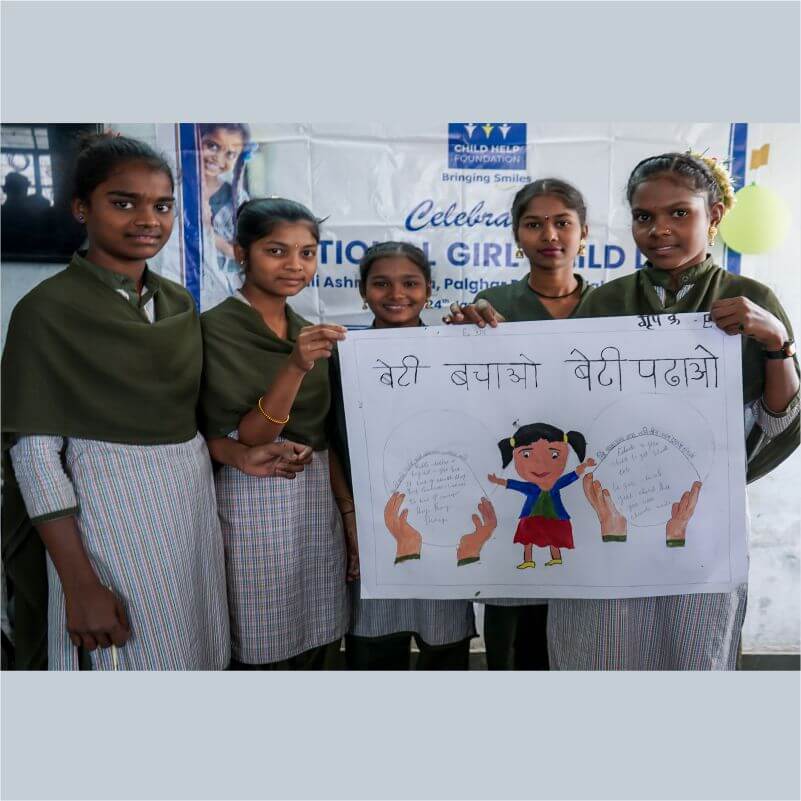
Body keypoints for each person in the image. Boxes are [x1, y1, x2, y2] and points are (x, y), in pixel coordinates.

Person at [547, 151, 800, 670]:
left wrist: (776, 343)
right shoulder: (604, 304)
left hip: (703, 512)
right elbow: (565, 403)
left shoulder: (749, 299)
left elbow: (780, 420)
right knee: (600, 649)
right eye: (645, 217)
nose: (660, 229)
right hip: (607, 508)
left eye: (679, 213)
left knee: (693, 650)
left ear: (716, 215)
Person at [2, 134, 244, 669]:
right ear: (81, 208)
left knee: (197, 650)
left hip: (191, 512)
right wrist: (79, 583)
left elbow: (194, 422)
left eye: (161, 205)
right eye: (123, 202)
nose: (147, 219)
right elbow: (34, 457)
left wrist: (246, 452)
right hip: (105, 521)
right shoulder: (46, 311)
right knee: (125, 657)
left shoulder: (177, 303)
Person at [444, 178, 595, 670]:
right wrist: (464, 337)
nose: (549, 235)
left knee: (581, 623)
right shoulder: (493, 305)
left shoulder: (612, 305)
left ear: (584, 232)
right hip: (518, 488)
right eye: (534, 224)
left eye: (562, 223)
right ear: (516, 234)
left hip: (584, 484)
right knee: (511, 633)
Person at [199, 197, 352, 669]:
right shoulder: (214, 329)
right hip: (251, 496)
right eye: (276, 250)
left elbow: (325, 440)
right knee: (260, 642)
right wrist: (296, 365)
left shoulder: (307, 331)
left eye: (307, 252)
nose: (295, 264)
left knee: (320, 635)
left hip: (313, 500)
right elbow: (248, 437)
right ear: (242, 253)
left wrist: (347, 517)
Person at [330, 241, 478, 670]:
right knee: (374, 649)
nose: (397, 293)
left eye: (410, 283)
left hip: (446, 518)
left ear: (429, 289)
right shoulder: (342, 357)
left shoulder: (459, 352)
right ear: (363, 291)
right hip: (376, 522)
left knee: (445, 649)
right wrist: (350, 515)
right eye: (381, 283)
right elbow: (330, 443)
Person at [488, 423, 596, 569]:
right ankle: (528, 561)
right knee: (527, 540)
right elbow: (513, 484)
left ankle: (556, 559)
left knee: (554, 539)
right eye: (526, 455)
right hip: (531, 518)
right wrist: (497, 481)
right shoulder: (532, 487)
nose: (540, 465)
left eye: (554, 455)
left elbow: (572, 476)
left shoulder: (555, 484)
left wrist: (584, 466)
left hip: (555, 518)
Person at [198, 123, 251, 303]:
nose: (218, 158)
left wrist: (208, 233)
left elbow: (243, 255)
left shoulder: (237, 199)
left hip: (219, 290)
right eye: (212, 146)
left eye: (230, 154)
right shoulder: (174, 188)